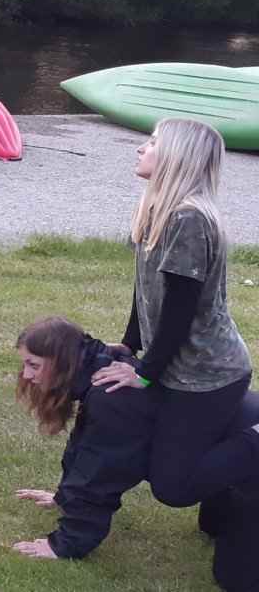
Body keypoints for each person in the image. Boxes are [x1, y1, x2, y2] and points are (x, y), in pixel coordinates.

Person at [9, 316, 259, 591]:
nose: (26, 375)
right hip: (228, 444)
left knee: (238, 581)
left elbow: (99, 474)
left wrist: (65, 544)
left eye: (34, 365)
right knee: (212, 526)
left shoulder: (111, 395)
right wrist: (63, 498)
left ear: (63, 361)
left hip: (247, 437)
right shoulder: (103, 374)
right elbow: (83, 449)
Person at [88, 119, 254, 511]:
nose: (140, 148)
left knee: (173, 488)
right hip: (178, 371)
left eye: (152, 143)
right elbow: (145, 287)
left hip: (208, 374)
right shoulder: (157, 210)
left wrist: (144, 373)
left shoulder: (189, 219)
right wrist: (129, 345)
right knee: (156, 454)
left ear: (178, 157)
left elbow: (181, 309)